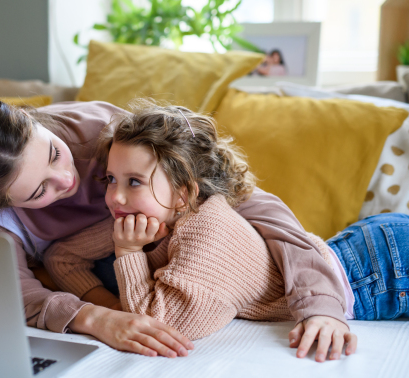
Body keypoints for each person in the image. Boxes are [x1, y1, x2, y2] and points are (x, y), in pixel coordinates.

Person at [0, 98, 353, 360]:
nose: (68, 179)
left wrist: (320, 299)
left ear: (36, 123)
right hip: (71, 258)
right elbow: (20, 289)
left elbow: (242, 201)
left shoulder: (103, 131)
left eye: (55, 154)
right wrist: (95, 316)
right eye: (38, 192)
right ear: (0, 207)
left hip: (133, 251)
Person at [42, 100, 409, 362]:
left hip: (377, 273)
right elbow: (61, 257)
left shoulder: (207, 229)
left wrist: (128, 254)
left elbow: (159, 324)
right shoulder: (138, 217)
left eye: (134, 181)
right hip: (357, 252)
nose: (114, 196)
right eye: (111, 179)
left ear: (184, 192)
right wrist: (108, 307)